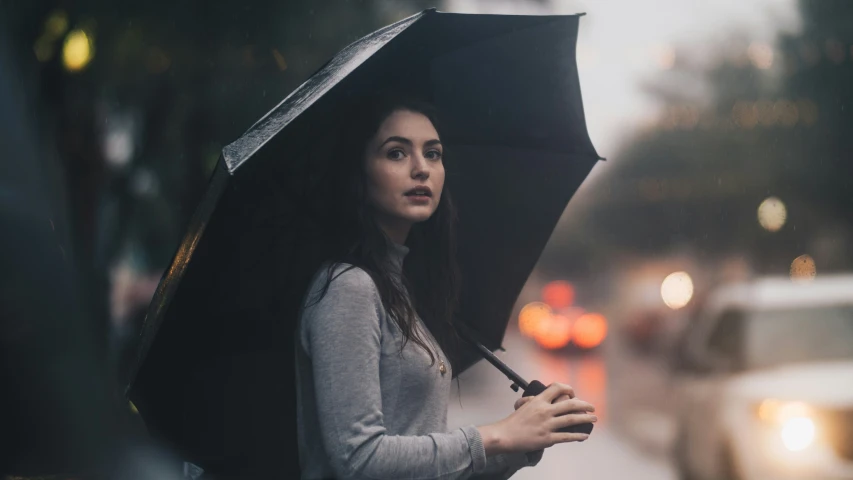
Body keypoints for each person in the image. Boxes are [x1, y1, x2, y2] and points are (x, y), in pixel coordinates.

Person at [293, 93, 598, 480]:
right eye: (396, 153)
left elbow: (429, 467)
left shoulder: (400, 288)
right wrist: (497, 436)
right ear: (358, 171)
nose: (421, 169)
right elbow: (359, 460)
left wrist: (524, 440)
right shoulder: (349, 288)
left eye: (433, 153)